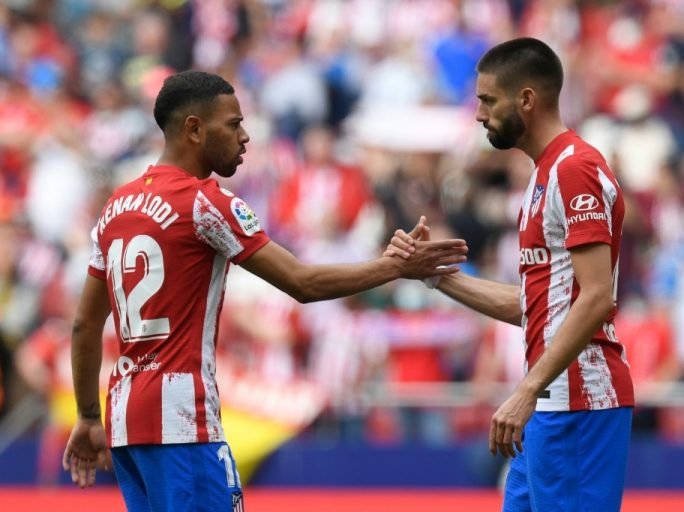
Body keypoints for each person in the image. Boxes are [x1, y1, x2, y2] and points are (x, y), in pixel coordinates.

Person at [61, 70, 467, 511]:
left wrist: (87, 415)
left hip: (125, 423)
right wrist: (394, 267)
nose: (245, 136)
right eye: (233, 124)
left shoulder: (115, 208)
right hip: (182, 422)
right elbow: (302, 283)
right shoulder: (206, 203)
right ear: (194, 129)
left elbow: (85, 325)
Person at [387, 38, 634, 512]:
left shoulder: (575, 170)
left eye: (488, 100)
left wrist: (526, 390)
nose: (479, 114)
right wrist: (435, 275)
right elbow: (537, 307)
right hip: (551, 400)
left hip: (579, 401)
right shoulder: (543, 176)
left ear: (526, 99)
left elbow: (597, 296)